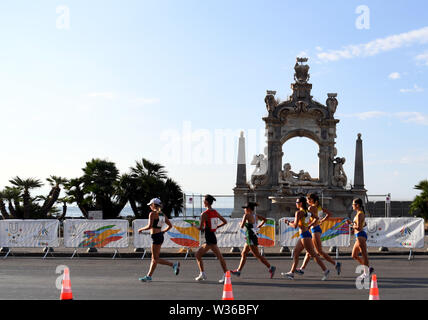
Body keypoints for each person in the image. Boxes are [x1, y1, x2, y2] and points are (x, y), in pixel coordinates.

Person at [281, 196, 330, 281]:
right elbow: (317, 218)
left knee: (313, 254)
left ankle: (325, 270)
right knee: (296, 253)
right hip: (304, 235)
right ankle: (291, 273)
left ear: (300, 203)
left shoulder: (298, 212)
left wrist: (288, 222)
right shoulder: (306, 211)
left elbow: (295, 226)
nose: (296, 204)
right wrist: (307, 225)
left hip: (305, 236)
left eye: (297, 202)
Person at [295, 193, 341, 276]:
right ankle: (302, 268)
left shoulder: (311, 207)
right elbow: (329, 214)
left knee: (319, 251)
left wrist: (309, 224)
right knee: (309, 252)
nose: (307, 201)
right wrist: (322, 220)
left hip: (314, 230)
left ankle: (335, 263)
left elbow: (312, 218)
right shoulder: (319, 207)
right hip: (317, 229)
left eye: (308, 199)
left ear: (312, 200)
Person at [138, 198, 180, 282]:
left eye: (150, 204)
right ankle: (149, 276)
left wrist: (141, 229)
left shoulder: (152, 214)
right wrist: (163, 231)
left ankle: (173, 265)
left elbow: (149, 226)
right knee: (154, 258)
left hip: (156, 237)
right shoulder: (162, 214)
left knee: (155, 259)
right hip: (160, 236)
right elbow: (170, 226)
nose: (149, 206)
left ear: (153, 205)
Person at [230, 202, 276, 278]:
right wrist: (259, 226)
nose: (244, 209)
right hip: (251, 236)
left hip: (251, 237)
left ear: (248, 209)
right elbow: (265, 220)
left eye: (245, 208)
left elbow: (241, 226)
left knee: (257, 255)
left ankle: (271, 267)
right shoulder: (256, 216)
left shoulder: (246, 215)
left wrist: (240, 222)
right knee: (244, 253)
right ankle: (238, 271)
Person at [194, 195, 229, 283]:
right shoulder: (215, 212)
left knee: (199, 255)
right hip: (211, 236)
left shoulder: (204, 214)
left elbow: (201, 228)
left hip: (209, 238)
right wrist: (216, 227)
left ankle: (224, 275)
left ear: (207, 202)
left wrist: (194, 225)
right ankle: (203, 273)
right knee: (219, 257)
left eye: (204, 201)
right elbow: (225, 221)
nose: (203, 202)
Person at [347, 198, 374, 278]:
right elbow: (364, 224)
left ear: (357, 205)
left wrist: (351, 224)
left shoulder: (359, 214)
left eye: (353, 204)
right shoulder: (359, 214)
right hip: (359, 235)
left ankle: (366, 273)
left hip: (360, 235)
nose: (352, 206)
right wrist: (353, 225)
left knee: (364, 254)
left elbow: (359, 228)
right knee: (354, 255)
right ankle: (367, 269)